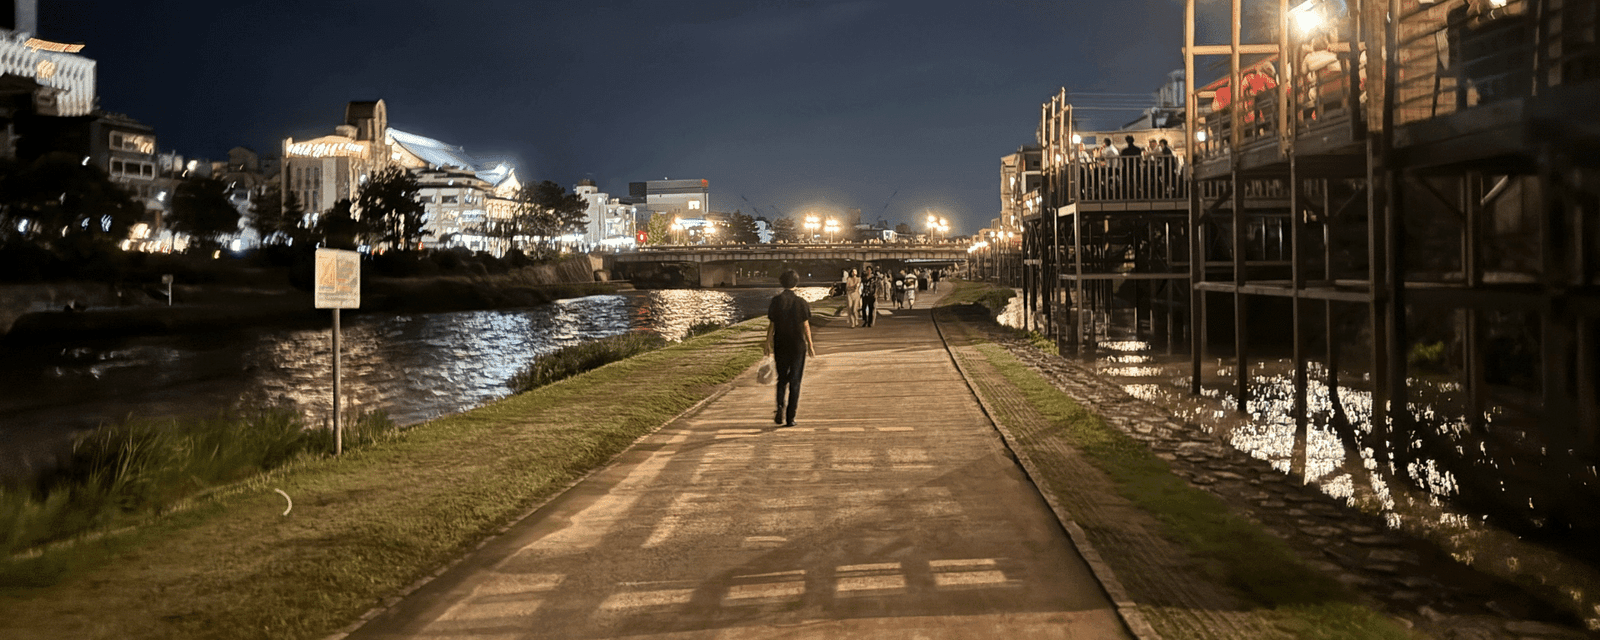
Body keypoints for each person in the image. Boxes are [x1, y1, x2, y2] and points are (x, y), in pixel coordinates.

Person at [766, 269, 816, 427]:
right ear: (796, 282)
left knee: (781, 379)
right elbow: (805, 325)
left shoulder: (775, 301)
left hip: (780, 342)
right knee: (795, 381)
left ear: (781, 283)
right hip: (797, 345)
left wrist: (767, 342)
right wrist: (810, 345)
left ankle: (780, 405)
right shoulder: (801, 302)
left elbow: (771, 324)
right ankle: (791, 417)